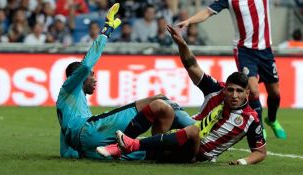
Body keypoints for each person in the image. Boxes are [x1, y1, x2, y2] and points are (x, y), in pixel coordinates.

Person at [98, 25, 267, 165]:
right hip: (191, 127)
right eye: (230, 90)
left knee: (193, 131)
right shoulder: (217, 90)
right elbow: (192, 66)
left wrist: (243, 161)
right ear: (226, 88)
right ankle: (120, 145)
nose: (234, 95)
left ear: (247, 93)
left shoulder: (251, 119)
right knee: (160, 104)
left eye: (239, 91)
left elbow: (260, 152)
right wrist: (182, 44)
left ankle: (132, 146)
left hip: (199, 151)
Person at [56, 3, 195, 160]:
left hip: (88, 147)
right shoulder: (69, 88)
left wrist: (78, 154)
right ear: (78, 76)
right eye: (91, 75)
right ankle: (197, 128)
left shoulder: (71, 105)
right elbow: (87, 64)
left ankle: (164, 148)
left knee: (149, 144)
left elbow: (66, 148)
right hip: (90, 131)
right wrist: (107, 30)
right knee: (160, 99)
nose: (95, 78)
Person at [175, 0, 286, 139]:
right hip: (245, 51)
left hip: (266, 51)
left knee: (275, 93)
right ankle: (259, 129)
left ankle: (272, 120)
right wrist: (189, 21)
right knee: (253, 90)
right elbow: (208, 11)